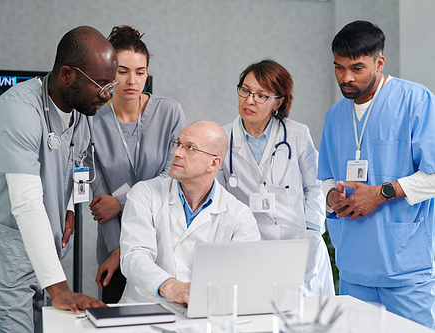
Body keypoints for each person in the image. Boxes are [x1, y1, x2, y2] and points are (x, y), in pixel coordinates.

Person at [0, 26, 118, 332]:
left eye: (110, 84)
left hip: (42, 256)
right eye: (100, 84)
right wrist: (59, 288)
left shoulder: (79, 114)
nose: (107, 94)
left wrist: (70, 209)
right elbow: (27, 205)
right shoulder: (17, 111)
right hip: (2, 259)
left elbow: (77, 168)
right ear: (67, 74)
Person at [318, 20, 435, 328]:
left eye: (357, 68)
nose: (346, 78)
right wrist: (332, 196)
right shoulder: (334, 117)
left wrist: (380, 193)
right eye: (339, 68)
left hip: (404, 267)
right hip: (354, 267)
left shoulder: (415, 101)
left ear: (379, 62)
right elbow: (326, 177)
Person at [86, 25, 187, 303]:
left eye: (140, 72)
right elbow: (99, 200)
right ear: (109, 73)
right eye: (122, 71)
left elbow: (171, 176)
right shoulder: (91, 119)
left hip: (163, 239)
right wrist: (118, 250)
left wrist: (120, 201)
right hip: (113, 242)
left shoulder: (169, 112)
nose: (132, 80)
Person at [217, 60, 335, 296]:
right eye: (245, 90)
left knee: (305, 318)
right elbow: (218, 195)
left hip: (297, 242)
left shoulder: (297, 134)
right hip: (247, 246)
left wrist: (312, 229)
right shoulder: (222, 138)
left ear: (278, 102)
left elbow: (315, 186)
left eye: (261, 95)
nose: (249, 100)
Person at [119, 121, 261, 303]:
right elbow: (134, 256)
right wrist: (171, 287)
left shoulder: (239, 216)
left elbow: (243, 273)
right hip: (145, 310)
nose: (176, 153)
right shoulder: (144, 193)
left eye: (190, 148)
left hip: (204, 312)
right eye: (178, 144)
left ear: (213, 163)